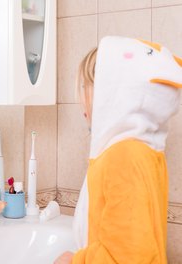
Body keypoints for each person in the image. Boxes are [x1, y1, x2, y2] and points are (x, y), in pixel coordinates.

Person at [54, 36, 182, 263]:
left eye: (87, 88)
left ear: (112, 94)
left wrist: (73, 261)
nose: (82, 102)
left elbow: (128, 257)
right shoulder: (144, 152)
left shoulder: (124, 156)